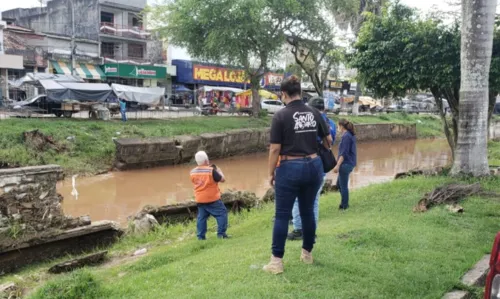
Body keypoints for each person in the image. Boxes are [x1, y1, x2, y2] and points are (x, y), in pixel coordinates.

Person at [263, 76, 332, 274]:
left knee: (282, 215)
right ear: (300, 92)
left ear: (283, 94)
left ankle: (276, 262)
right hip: (314, 166)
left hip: (289, 167)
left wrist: (270, 173)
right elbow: (328, 141)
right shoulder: (314, 112)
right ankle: (307, 254)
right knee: (308, 211)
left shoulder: (280, 116)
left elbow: (275, 149)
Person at [287, 97, 337, 240]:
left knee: (298, 198)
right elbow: (330, 143)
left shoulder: (309, 120)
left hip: (306, 162)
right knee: (314, 200)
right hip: (321, 165)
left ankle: (298, 229)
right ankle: (311, 231)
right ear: (324, 108)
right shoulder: (331, 123)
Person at [190, 151, 229, 240]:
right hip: (212, 198)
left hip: (200, 199)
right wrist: (219, 171)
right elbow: (222, 179)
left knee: (202, 218)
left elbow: (196, 182)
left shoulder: (192, 172)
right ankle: (221, 234)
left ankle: (200, 237)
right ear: (206, 160)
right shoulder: (211, 171)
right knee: (222, 213)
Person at [334, 119, 357, 210]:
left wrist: (337, 165)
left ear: (341, 126)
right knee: (339, 184)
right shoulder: (349, 135)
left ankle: (344, 205)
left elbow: (343, 153)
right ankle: (344, 202)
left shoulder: (346, 136)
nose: (337, 128)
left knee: (343, 186)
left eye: (338, 126)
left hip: (345, 164)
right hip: (349, 163)